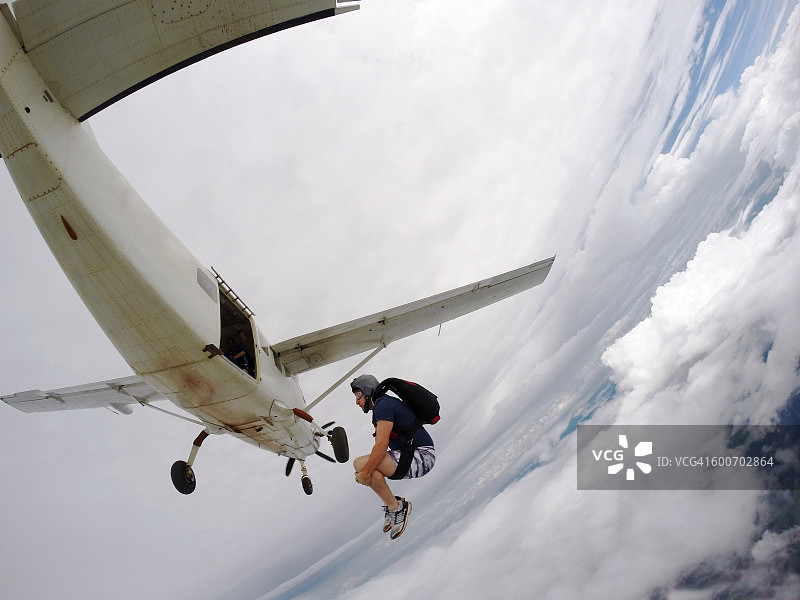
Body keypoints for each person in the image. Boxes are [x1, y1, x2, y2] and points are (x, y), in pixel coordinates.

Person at [351, 374, 436, 540]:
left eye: (358, 395)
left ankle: (397, 508)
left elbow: (381, 445)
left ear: (367, 391)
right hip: (413, 455)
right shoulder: (381, 408)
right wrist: (367, 473)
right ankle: (394, 506)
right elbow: (379, 448)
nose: (357, 401)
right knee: (361, 465)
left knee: (362, 466)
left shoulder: (383, 405)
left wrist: (365, 474)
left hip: (422, 457)